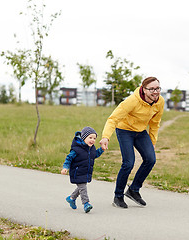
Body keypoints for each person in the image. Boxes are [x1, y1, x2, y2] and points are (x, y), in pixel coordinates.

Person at [100, 76, 165, 209]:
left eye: (157, 88)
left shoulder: (160, 102)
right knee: (128, 163)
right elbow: (113, 119)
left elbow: (155, 123)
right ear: (144, 89)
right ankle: (118, 196)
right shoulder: (132, 101)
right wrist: (106, 136)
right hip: (124, 131)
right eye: (151, 89)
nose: (155, 92)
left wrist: (152, 141)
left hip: (140, 132)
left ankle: (134, 190)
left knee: (151, 159)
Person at [61, 126, 104, 213]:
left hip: (86, 171)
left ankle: (71, 198)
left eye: (94, 138)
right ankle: (86, 203)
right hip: (77, 172)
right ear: (84, 138)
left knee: (81, 187)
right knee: (83, 187)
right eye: (90, 138)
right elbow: (69, 158)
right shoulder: (76, 149)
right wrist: (65, 167)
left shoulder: (91, 148)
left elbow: (94, 155)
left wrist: (101, 149)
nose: (92, 140)